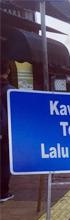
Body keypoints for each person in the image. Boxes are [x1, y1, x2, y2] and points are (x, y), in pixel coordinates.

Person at [1, 59, 15, 201]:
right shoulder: (11, 92)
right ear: (8, 71)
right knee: (4, 162)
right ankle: (3, 192)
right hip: (5, 134)